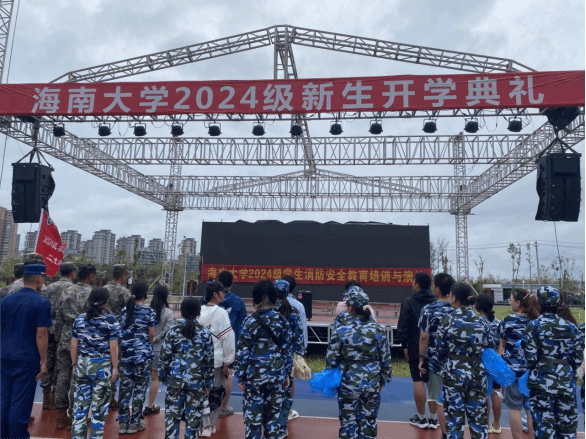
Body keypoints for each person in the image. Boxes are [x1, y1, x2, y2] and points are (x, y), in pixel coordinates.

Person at [326, 287, 392, 439]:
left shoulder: (341, 330)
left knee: (348, 422)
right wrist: (383, 379)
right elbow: (386, 359)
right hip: (372, 383)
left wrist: (333, 377)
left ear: (350, 308)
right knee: (369, 421)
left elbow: (331, 358)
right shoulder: (378, 330)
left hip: (348, 383)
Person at [522, 286, 584, 439]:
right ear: (558, 303)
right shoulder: (571, 327)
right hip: (566, 383)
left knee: (543, 428)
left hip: (541, 383)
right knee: (567, 429)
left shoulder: (533, 326)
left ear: (539, 303)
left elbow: (530, 358)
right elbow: (577, 359)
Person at [235, 279, 293, 439]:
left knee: (252, 423)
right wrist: (286, 373)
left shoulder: (249, 322)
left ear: (257, 298)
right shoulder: (282, 321)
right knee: (272, 424)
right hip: (276, 378)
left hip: (254, 379)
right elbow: (287, 351)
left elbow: (242, 353)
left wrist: (242, 378)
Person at [0, 264, 51, 439]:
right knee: (20, 405)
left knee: (3, 400)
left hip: (4, 355)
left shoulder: (5, 301)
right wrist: (44, 361)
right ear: (39, 279)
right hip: (26, 358)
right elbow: (41, 334)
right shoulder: (42, 302)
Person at [436, 282, 491, 439]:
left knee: (454, 423)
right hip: (477, 375)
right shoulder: (482, 321)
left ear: (453, 298)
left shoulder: (447, 320)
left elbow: (440, 349)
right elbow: (488, 347)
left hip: (453, 374)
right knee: (479, 422)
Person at [159, 297, 214, 439]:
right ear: (198, 312)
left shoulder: (173, 332)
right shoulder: (205, 333)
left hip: (175, 381)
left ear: (181, 312)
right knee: (193, 422)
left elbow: (165, 358)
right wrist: (208, 384)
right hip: (196, 383)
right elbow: (209, 361)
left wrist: (163, 377)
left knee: (172, 419)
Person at [70, 287, 121, 439]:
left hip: (82, 365)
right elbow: (113, 345)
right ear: (106, 302)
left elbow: (73, 344)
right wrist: (115, 367)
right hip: (102, 367)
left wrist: (74, 365)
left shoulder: (79, 319)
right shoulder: (111, 321)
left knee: (79, 410)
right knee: (99, 412)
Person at [54, 262, 97, 430]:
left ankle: (60, 415)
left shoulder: (67, 290)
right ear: (91, 276)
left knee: (62, 375)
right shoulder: (93, 293)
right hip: (84, 338)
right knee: (79, 377)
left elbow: (59, 315)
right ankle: (74, 414)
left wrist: (58, 336)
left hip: (66, 336)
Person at [498, 288, 539, 439]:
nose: (509, 302)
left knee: (514, 408)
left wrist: (499, 367)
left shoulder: (508, 320)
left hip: (512, 372)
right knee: (530, 408)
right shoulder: (536, 322)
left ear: (518, 302)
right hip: (532, 372)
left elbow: (502, 345)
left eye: (510, 299)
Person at [396, 271, 436, 428]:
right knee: (433, 381)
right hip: (435, 348)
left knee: (418, 379)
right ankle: (433, 418)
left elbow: (403, 326)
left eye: (413, 281)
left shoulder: (408, 301)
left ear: (417, 284)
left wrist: (404, 345)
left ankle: (421, 418)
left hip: (415, 346)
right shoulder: (436, 302)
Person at [418, 272, 455, 437]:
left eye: (434, 285)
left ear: (438, 289)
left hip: (435, 362)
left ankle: (445, 433)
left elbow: (424, 337)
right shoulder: (457, 309)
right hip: (456, 362)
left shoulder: (428, 309)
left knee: (438, 398)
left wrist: (421, 358)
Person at [198, 281, 236, 437]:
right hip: (216, 360)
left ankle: (201, 424)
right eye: (222, 291)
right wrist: (228, 361)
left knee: (201, 392)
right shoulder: (221, 313)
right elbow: (228, 338)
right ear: (215, 294)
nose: (224, 294)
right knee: (216, 392)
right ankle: (210, 425)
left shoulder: (199, 310)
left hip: (199, 360)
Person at [118, 281, 156, 434]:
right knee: (140, 390)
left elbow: (122, 329)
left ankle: (123, 423)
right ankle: (135, 423)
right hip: (143, 355)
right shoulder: (149, 311)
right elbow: (151, 334)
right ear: (145, 293)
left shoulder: (125, 310)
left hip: (126, 354)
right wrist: (148, 342)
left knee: (125, 390)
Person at [42, 261, 77, 410]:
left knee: (47, 362)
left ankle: (46, 398)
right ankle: (57, 397)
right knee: (61, 366)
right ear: (73, 273)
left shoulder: (49, 287)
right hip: (65, 331)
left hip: (47, 328)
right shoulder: (73, 289)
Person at [274, 279, 305, 439]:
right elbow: (299, 341)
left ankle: (269, 426)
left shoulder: (266, 312)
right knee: (286, 393)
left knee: (270, 394)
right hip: (287, 361)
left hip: (268, 361)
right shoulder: (293, 314)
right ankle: (281, 427)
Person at [217, 270, 247, 418]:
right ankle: (223, 407)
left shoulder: (207, 299)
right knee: (228, 376)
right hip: (230, 346)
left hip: (210, 345)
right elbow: (243, 325)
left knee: (209, 374)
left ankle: (207, 408)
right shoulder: (238, 301)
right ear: (232, 283)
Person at [103, 265, 132, 410]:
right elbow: (130, 313)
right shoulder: (125, 292)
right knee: (115, 363)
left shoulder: (103, 290)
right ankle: (111, 397)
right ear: (123, 276)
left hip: (102, 331)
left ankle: (103, 395)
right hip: (118, 333)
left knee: (104, 362)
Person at [145, 285, 175, 416]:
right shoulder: (168, 312)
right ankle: (150, 405)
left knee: (143, 378)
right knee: (156, 378)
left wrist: (149, 339)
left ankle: (138, 405)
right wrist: (156, 338)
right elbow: (168, 330)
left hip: (145, 348)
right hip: (159, 349)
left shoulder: (147, 310)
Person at [475, 293, 502, 435]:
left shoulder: (477, 322)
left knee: (484, 394)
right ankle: (496, 425)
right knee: (496, 392)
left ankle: (484, 426)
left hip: (481, 362)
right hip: (496, 361)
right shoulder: (498, 323)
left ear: (478, 305)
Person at [281, 274, 308, 421]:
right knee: (289, 380)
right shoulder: (298, 306)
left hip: (272, 354)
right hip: (290, 353)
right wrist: (301, 350)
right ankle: (287, 411)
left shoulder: (270, 306)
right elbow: (302, 330)